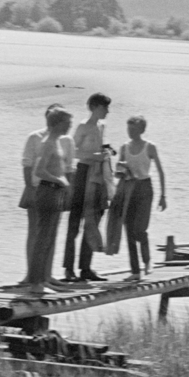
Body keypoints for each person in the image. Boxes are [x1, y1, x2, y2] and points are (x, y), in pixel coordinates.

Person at [19, 104, 74, 285]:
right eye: (67, 121)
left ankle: (46, 276)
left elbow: (68, 168)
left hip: (55, 191)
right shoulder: (38, 138)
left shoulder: (65, 141)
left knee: (50, 234)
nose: (70, 125)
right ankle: (33, 278)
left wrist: (67, 188)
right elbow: (29, 166)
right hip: (38, 188)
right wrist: (30, 188)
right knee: (36, 233)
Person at [62, 93, 113, 282]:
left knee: (93, 222)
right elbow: (73, 151)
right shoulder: (84, 126)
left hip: (98, 175)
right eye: (104, 107)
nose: (107, 111)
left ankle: (86, 268)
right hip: (83, 173)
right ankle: (68, 269)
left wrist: (106, 151)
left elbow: (99, 147)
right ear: (94, 107)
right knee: (75, 222)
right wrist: (93, 155)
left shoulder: (102, 126)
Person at [114, 116, 167, 280]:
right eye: (129, 128)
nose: (131, 132)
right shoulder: (124, 147)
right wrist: (121, 170)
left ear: (142, 130)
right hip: (129, 188)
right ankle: (135, 271)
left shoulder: (150, 147)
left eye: (134, 129)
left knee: (139, 229)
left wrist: (163, 196)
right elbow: (118, 171)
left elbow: (160, 171)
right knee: (128, 229)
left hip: (145, 187)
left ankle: (147, 261)